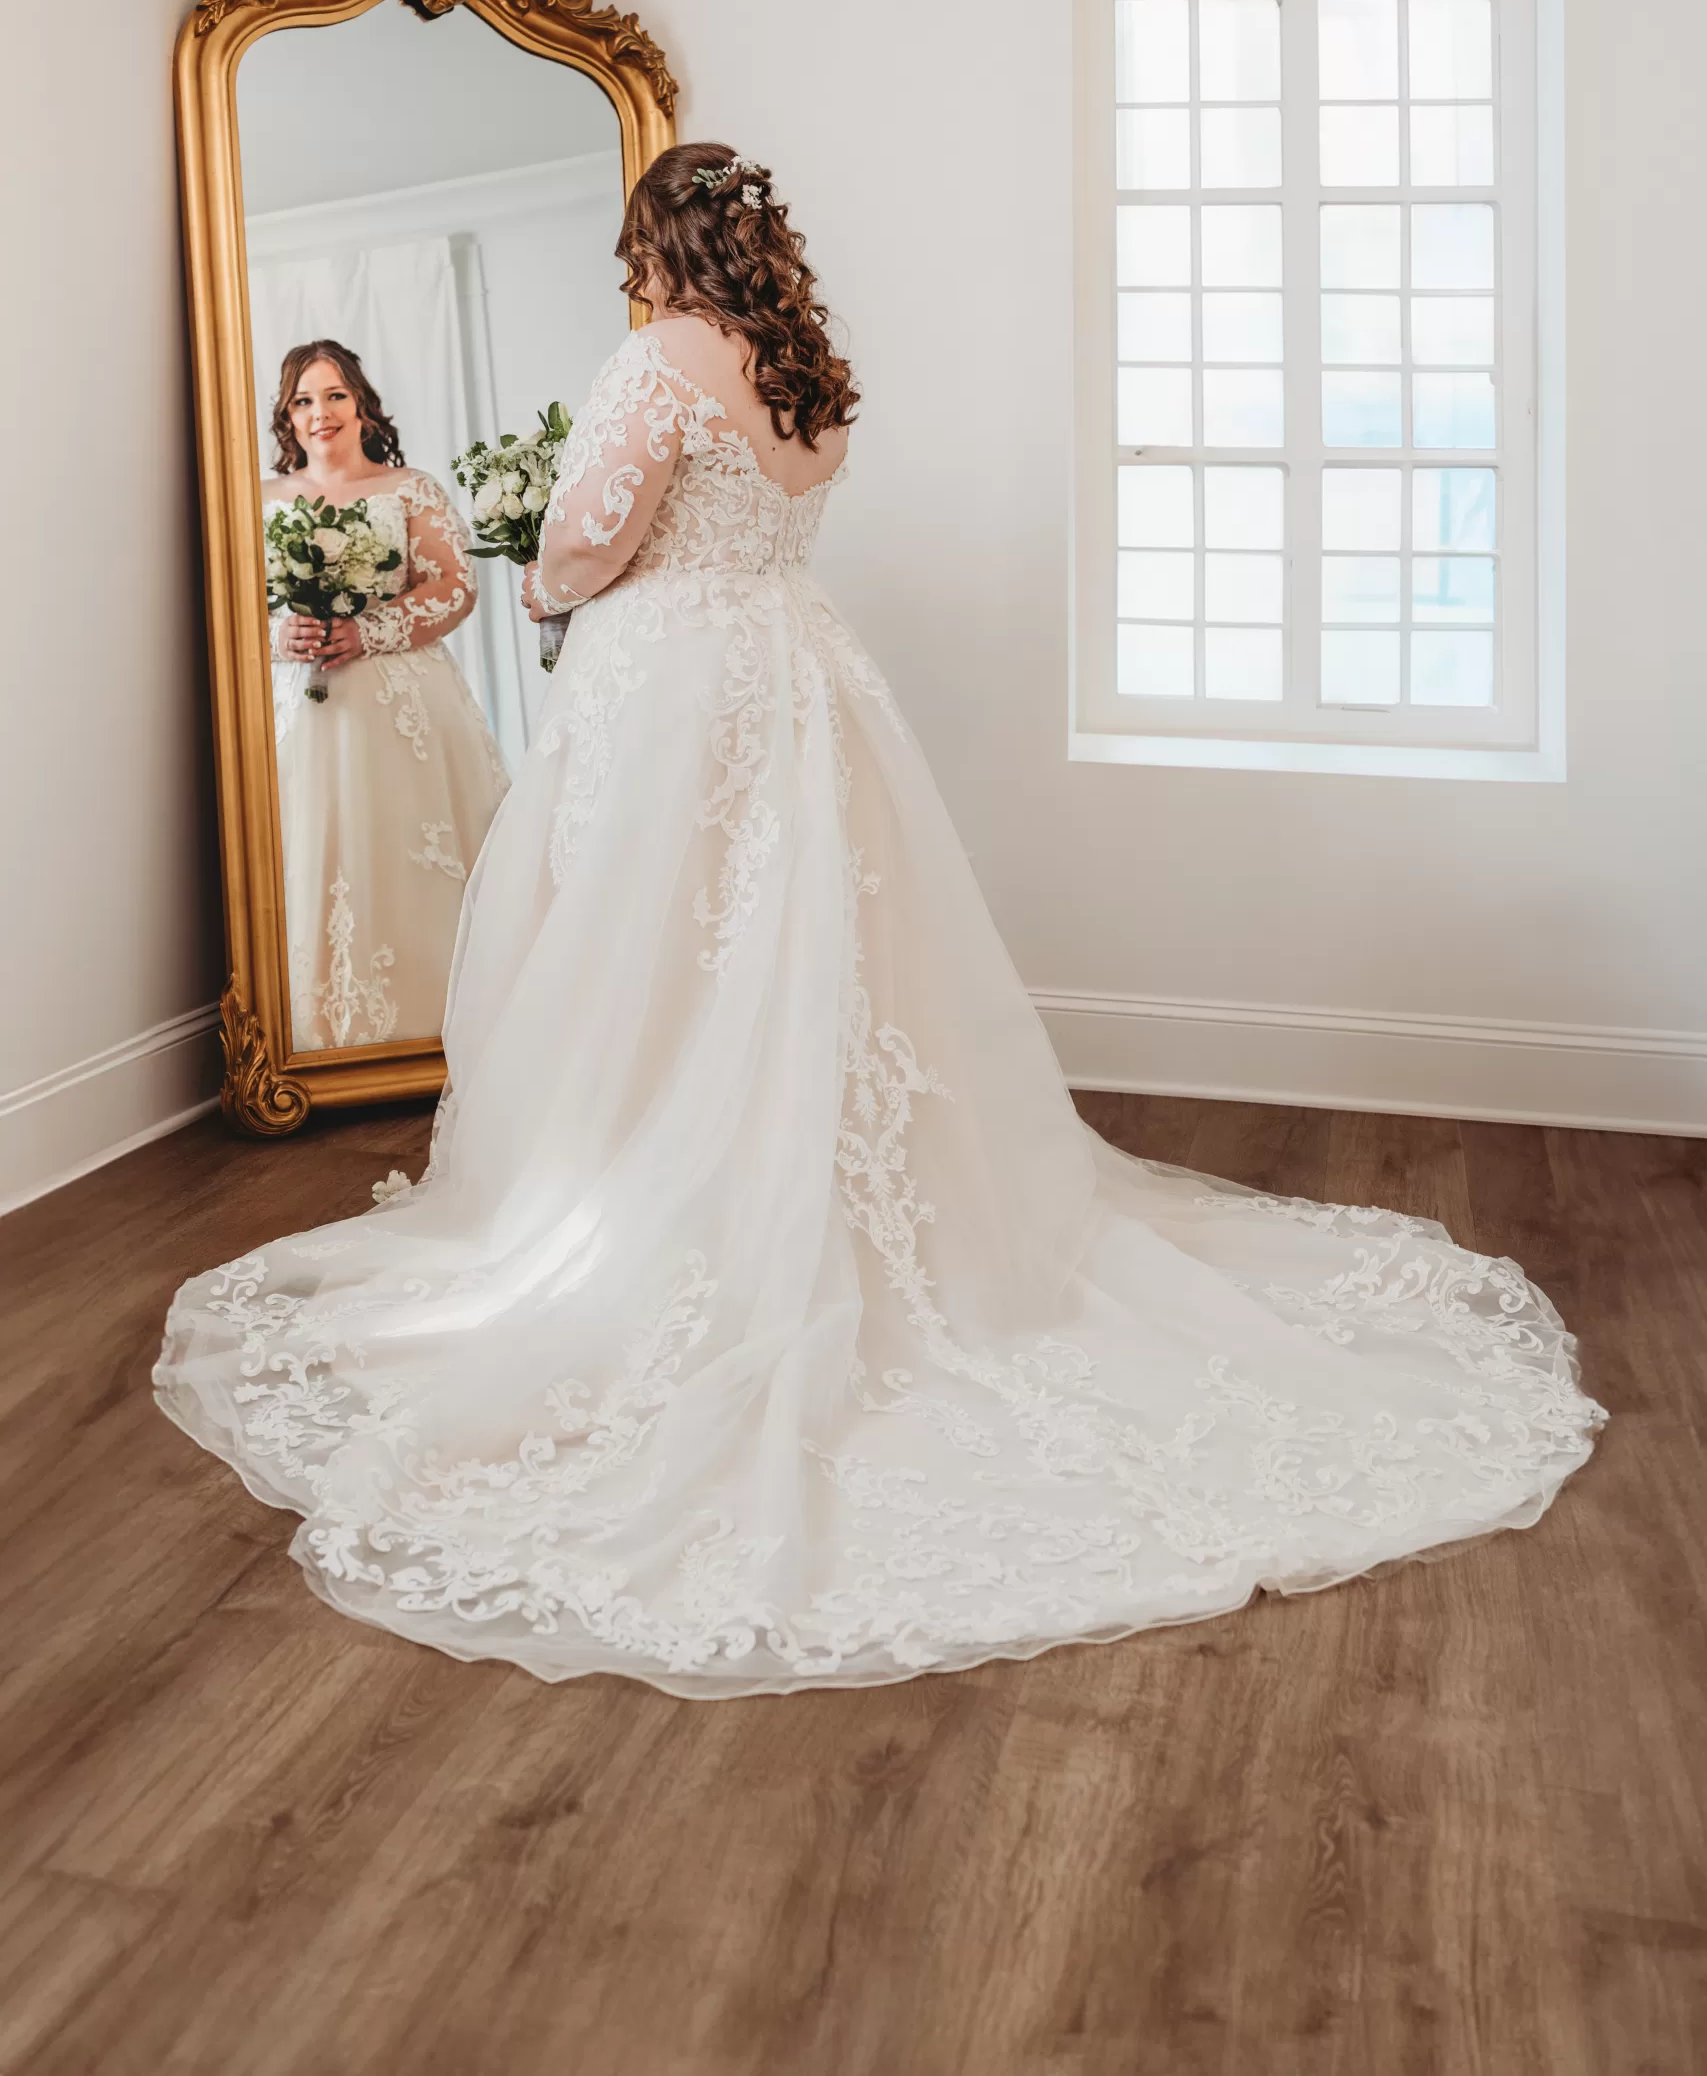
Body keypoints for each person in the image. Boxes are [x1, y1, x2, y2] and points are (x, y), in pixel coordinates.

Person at [158, 151, 1603, 1696]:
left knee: (653, 964)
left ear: (656, 244)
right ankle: (809, 1201)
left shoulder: (654, 357)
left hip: (675, 695)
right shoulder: (809, 380)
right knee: (808, 956)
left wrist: (542, 576)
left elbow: (586, 541)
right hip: (792, 674)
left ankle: (659, 1213)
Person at [262, 340, 508, 1049]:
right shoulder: (261, 498)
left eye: (334, 395)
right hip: (296, 711)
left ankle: (432, 1028)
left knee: (403, 848)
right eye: (303, 400)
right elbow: (222, 607)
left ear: (363, 404)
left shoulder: (408, 488)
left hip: (399, 704)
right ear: (287, 417)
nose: (320, 413)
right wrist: (279, 635)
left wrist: (371, 631)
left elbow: (455, 587)